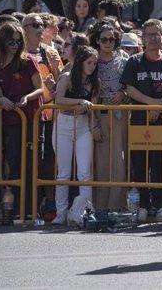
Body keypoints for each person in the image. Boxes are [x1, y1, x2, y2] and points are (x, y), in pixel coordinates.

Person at [120, 19, 162, 223]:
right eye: (149, 34)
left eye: (157, 34)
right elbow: (129, 88)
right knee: (140, 164)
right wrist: (151, 104)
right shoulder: (135, 61)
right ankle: (143, 206)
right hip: (140, 120)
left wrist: (161, 104)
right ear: (143, 38)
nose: (153, 38)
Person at [0, 23, 43, 218]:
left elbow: (40, 88)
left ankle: (29, 209)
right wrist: (2, 99)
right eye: (11, 40)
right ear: (2, 41)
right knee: (13, 163)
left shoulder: (28, 61)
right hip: (10, 121)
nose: (15, 44)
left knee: (31, 163)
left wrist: (28, 97)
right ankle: (13, 210)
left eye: (18, 40)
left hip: (32, 117)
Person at [51, 46, 100, 224]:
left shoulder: (95, 82)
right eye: (89, 62)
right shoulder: (67, 77)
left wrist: (85, 108)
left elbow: (91, 107)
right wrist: (80, 101)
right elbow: (59, 100)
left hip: (82, 125)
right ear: (80, 61)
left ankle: (86, 212)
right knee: (63, 173)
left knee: (85, 173)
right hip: (63, 124)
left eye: (95, 63)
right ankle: (60, 213)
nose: (92, 66)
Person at [22, 13, 62, 220]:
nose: (40, 28)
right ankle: (28, 204)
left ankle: (49, 203)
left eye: (42, 25)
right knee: (30, 160)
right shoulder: (18, 53)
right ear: (24, 29)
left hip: (50, 115)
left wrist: (56, 74)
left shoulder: (51, 53)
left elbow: (61, 82)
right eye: (35, 25)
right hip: (26, 116)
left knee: (50, 161)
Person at [89, 23, 129, 210]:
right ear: (97, 40)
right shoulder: (91, 61)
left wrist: (123, 93)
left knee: (119, 162)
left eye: (112, 39)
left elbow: (132, 84)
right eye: (104, 39)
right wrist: (94, 124)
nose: (108, 43)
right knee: (102, 163)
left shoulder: (125, 60)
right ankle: (101, 208)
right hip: (99, 112)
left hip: (121, 113)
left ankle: (118, 207)